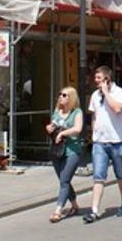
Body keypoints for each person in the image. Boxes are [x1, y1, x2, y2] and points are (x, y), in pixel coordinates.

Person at [83, 65, 122, 223]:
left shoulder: (120, 93)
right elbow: (94, 114)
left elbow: (117, 109)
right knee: (98, 176)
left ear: (107, 79)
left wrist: (106, 93)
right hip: (100, 142)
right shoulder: (94, 95)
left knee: (121, 174)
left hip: (118, 141)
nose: (95, 81)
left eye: (98, 78)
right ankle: (94, 210)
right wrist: (94, 133)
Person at [45, 87, 84, 222]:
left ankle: (58, 210)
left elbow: (78, 129)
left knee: (64, 181)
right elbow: (52, 126)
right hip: (57, 151)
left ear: (71, 98)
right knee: (64, 180)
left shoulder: (77, 112)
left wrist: (62, 133)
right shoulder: (57, 112)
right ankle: (74, 205)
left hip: (72, 151)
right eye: (60, 94)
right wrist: (49, 129)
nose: (61, 97)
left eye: (64, 95)